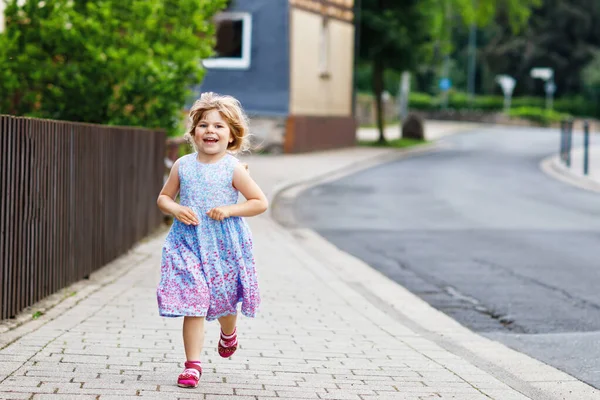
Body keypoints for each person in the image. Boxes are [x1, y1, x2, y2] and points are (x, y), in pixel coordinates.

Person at [156, 92, 268, 388]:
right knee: (194, 301)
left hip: (224, 245)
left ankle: (228, 332)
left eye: (219, 126)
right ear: (193, 132)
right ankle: (192, 365)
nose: (210, 131)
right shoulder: (183, 165)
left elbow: (259, 202)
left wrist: (230, 209)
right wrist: (177, 208)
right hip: (187, 242)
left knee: (223, 301)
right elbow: (164, 198)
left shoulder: (232, 168)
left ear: (231, 135)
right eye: (204, 125)